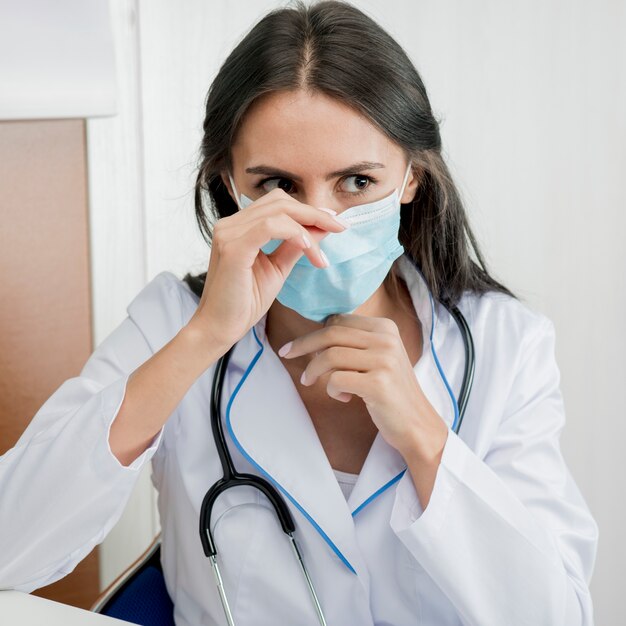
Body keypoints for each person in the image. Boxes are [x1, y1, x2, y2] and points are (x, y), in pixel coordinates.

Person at [0, 1, 598, 624]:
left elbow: (561, 615)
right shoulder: (171, 324)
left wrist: (425, 438)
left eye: (357, 182)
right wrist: (204, 338)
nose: (320, 225)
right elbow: (7, 547)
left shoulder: (506, 344)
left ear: (413, 177)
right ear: (229, 182)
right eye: (277, 186)